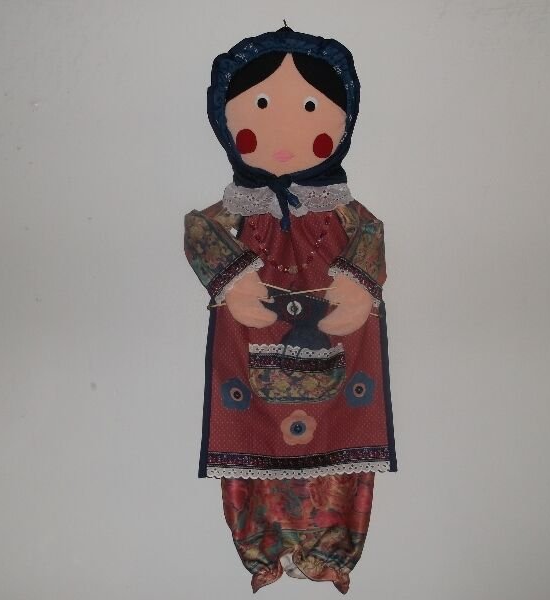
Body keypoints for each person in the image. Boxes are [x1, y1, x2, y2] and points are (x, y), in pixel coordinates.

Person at [184, 27, 397, 593]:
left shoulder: (343, 211)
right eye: (259, 107)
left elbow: (371, 235)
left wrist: (357, 285)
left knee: (347, 419)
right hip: (251, 355)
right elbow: (198, 230)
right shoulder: (237, 210)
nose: (283, 130)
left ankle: (331, 548)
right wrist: (233, 279)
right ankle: (265, 546)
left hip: (339, 352)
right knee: (248, 424)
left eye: (309, 108)